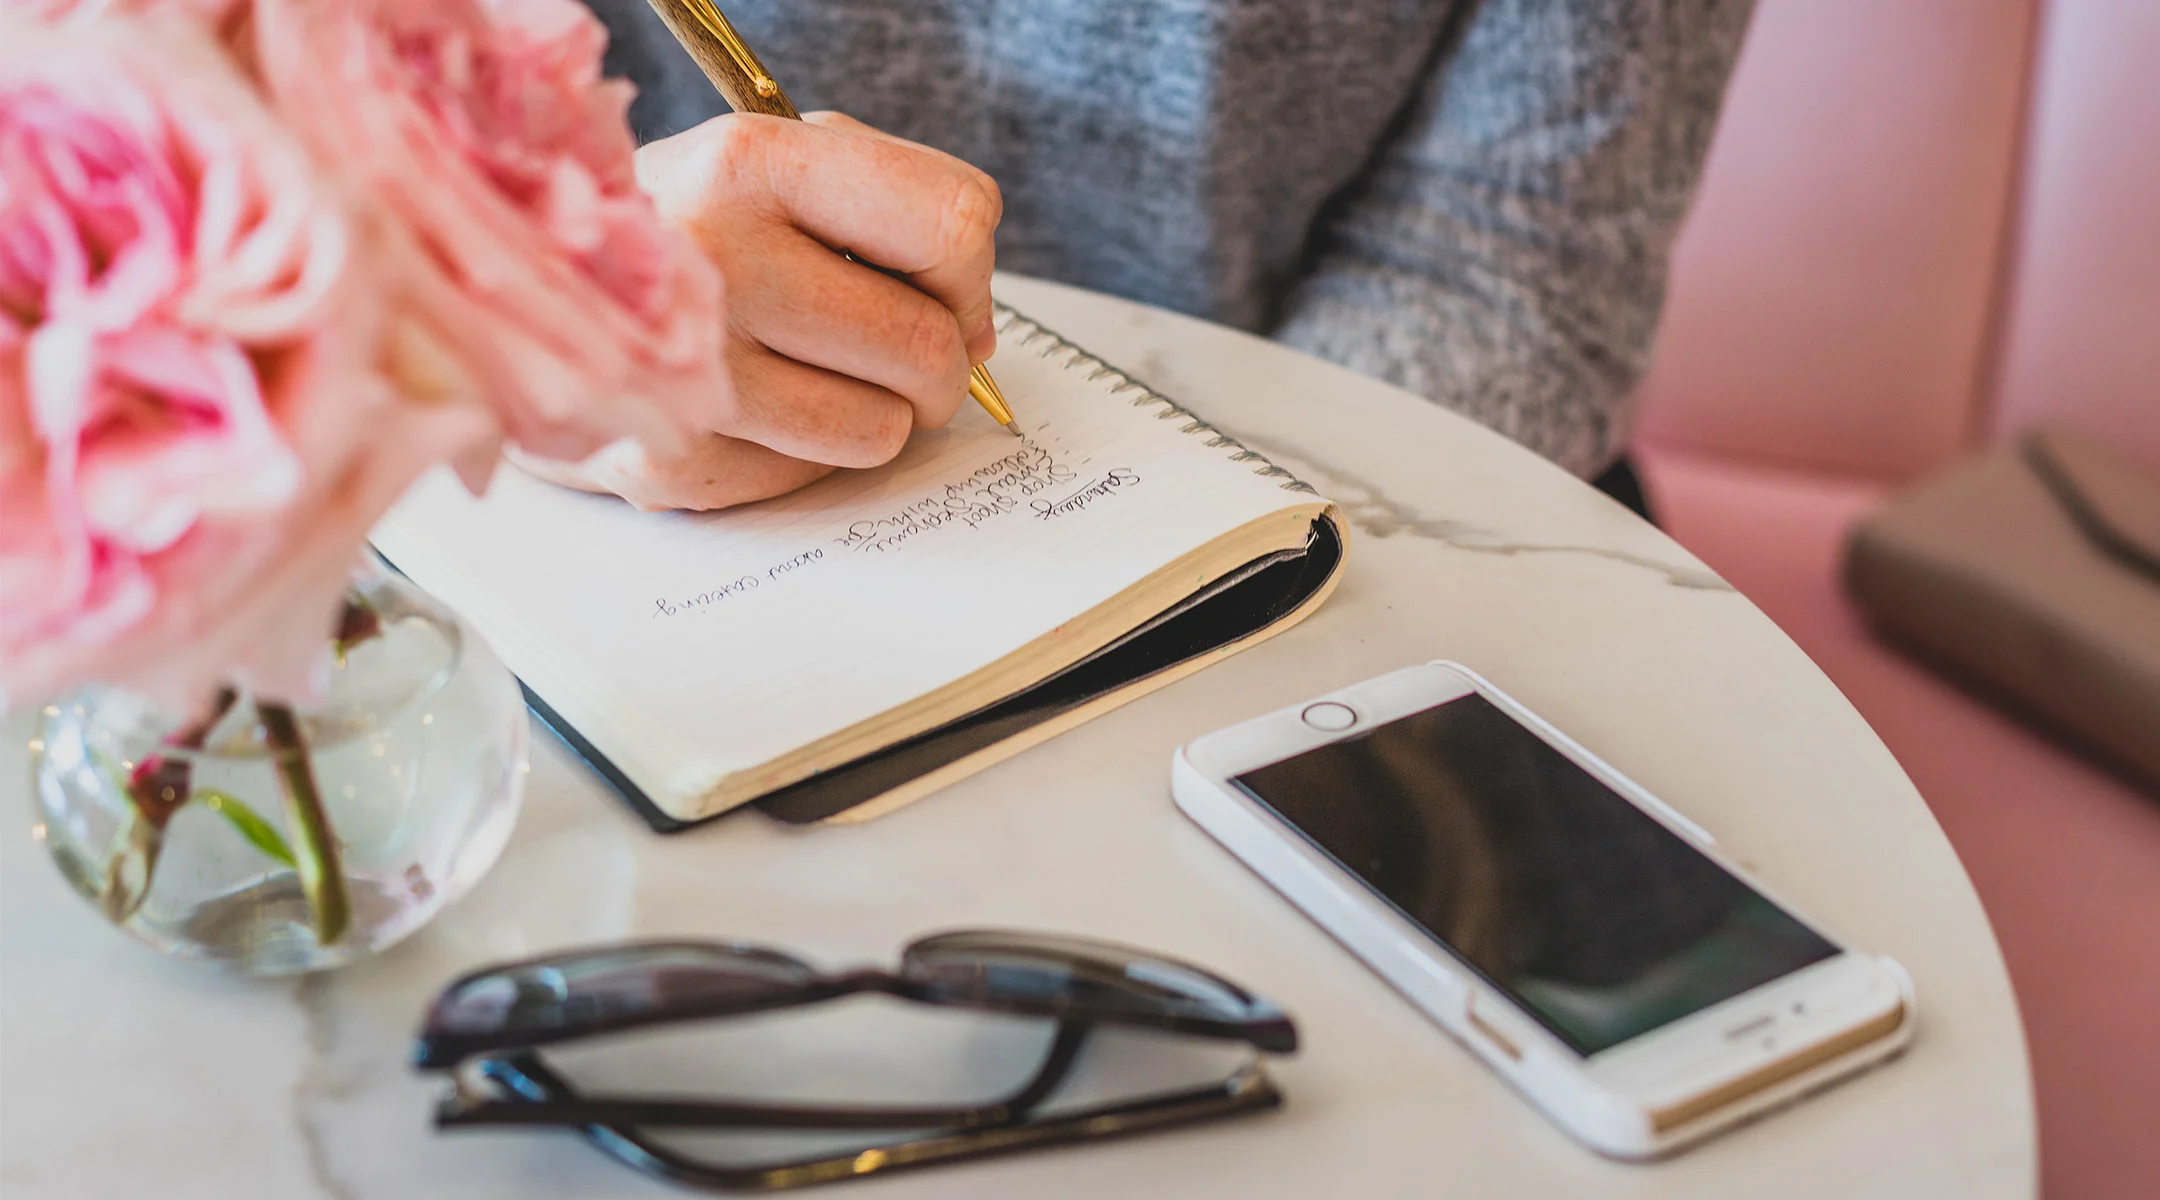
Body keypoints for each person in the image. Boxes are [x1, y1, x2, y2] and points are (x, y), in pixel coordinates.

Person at [565, 0, 1756, 519]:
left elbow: (1514, 258)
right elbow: (388, 182)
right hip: (644, 516)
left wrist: (1216, 535)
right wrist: (524, 307)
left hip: (1367, 472)